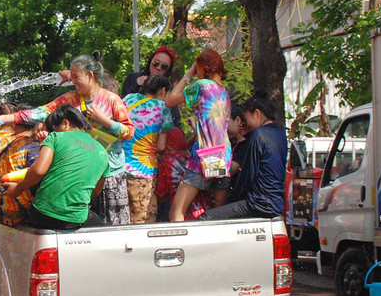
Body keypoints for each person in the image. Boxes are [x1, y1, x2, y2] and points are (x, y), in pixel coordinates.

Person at [0, 52, 134, 225]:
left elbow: (129, 132)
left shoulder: (112, 100)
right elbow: (41, 112)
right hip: (80, 174)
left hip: (109, 172)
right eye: (71, 77)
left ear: (90, 75)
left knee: (113, 226)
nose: (72, 81)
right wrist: (6, 118)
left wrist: (105, 121)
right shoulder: (70, 99)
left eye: (76, 76)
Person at [3, 106, 109, 230]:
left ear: (65, 123)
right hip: (76, 218)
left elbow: (38, 171)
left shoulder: (56, 138)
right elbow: (95, 192)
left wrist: (17, 189)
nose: (52, 133)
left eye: (54, 129)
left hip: (42, 214)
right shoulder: (103, 152)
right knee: (101, 227)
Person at [165, 48, 232, 221]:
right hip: (223, 156)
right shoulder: (224, 91)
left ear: (203, 67)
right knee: (219, 214)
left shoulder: (202, 86)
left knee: (176, 213)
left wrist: (188, 75)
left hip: (205, 157)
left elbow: (170, 100)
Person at [200, 91, 287, 221]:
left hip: (258, 203)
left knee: (206, 218)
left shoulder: (258, 135)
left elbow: (247, 175)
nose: (243, 125)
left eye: (245, 120)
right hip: (275, 202)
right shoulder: (280, 134)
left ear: (257, 113)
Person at [122, 75, 174, 224]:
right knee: (142, 220)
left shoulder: (129, 99)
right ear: (163, 91)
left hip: (120, 167)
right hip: (143, 171)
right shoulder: (163, 108)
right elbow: (161, 146)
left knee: (124, 218)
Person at [120, 45, 182, 127]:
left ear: (168, 70)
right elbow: (123, 105)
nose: (158, 68)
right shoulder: (133, 78)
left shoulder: (169, 90)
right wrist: (138, 87)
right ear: (150, 61)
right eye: (156, 63)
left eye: (164, 66)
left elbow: (175, 119)